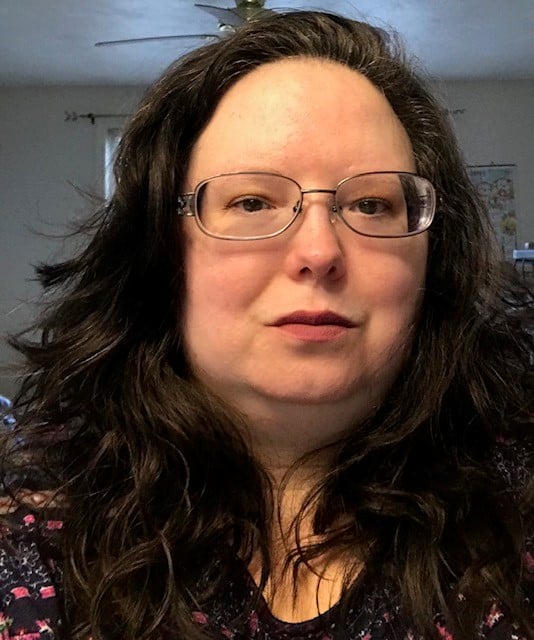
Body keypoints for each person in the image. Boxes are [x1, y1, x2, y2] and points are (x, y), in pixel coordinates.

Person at [0, 9, 532, 640]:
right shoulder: (36, 533)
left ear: (433, 259)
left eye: (371, 204)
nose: (319, 252)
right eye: (251, 202)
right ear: (162, 253)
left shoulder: (517, 509)